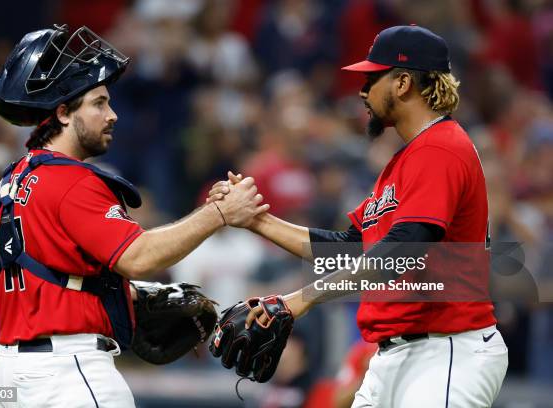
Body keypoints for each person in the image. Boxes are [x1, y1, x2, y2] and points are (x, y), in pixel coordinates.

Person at [209, 25, 508, 407]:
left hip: (446, 352)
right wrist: (255, 220)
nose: (363, 91)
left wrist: (300, 299)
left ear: (402, 83)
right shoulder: (404, 161)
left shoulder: (442, 149)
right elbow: (348, 247)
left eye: (372, 78)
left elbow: (402, 251)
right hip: (396, 356)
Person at [0, 25, 268, 408]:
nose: (113, 114)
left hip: (9, 375)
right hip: (68, 372)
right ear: (64, 113)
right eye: (99, 103)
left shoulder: (13, 179)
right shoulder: (70, 180)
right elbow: (138, 257)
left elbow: (52, 275)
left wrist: (126, 296)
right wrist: (219, 213)